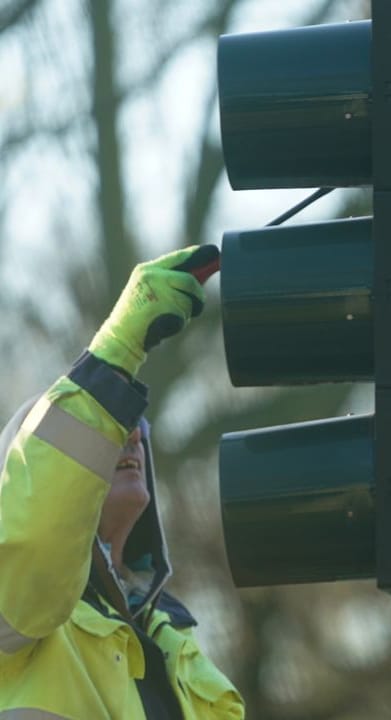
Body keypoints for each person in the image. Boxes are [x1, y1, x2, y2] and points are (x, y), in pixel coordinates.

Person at [0, 246, 244, 719]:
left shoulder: (177, 645)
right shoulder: (18, 618)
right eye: (104, 430)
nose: (131, 433)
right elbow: (32, 541)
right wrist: (116, 354)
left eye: (134, 429)